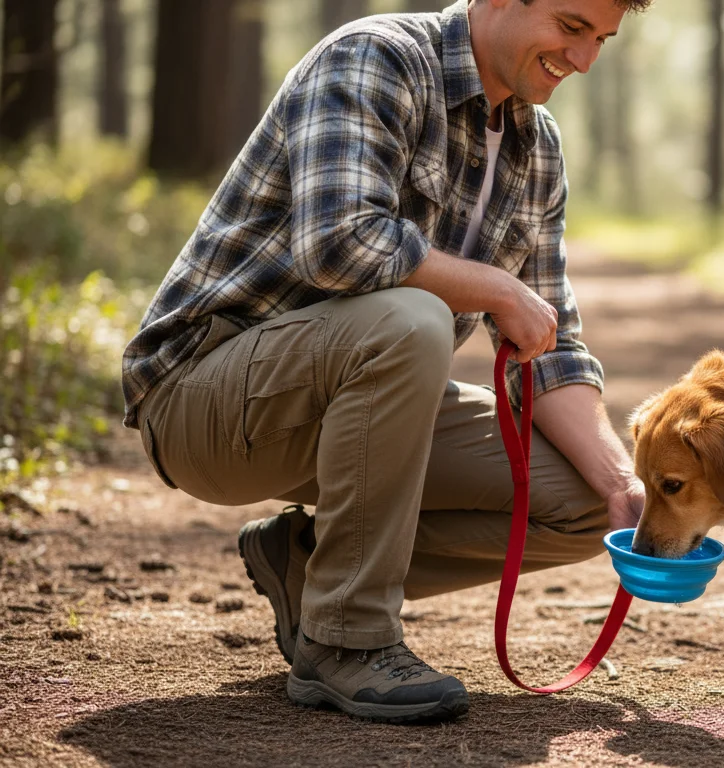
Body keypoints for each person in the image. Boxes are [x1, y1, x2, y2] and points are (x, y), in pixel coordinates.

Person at [120, 0, 652, 724]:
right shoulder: (377, 57)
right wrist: (496, 287)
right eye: (570, 26)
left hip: (358, 408)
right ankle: (348, 640)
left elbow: (547, 351)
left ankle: (309, 568)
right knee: (411, 318)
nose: (584, 60)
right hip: (204, 404)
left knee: (584, 502)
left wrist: (624, 484)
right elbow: (340, 244)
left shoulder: (537, 146)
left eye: (601, 39)